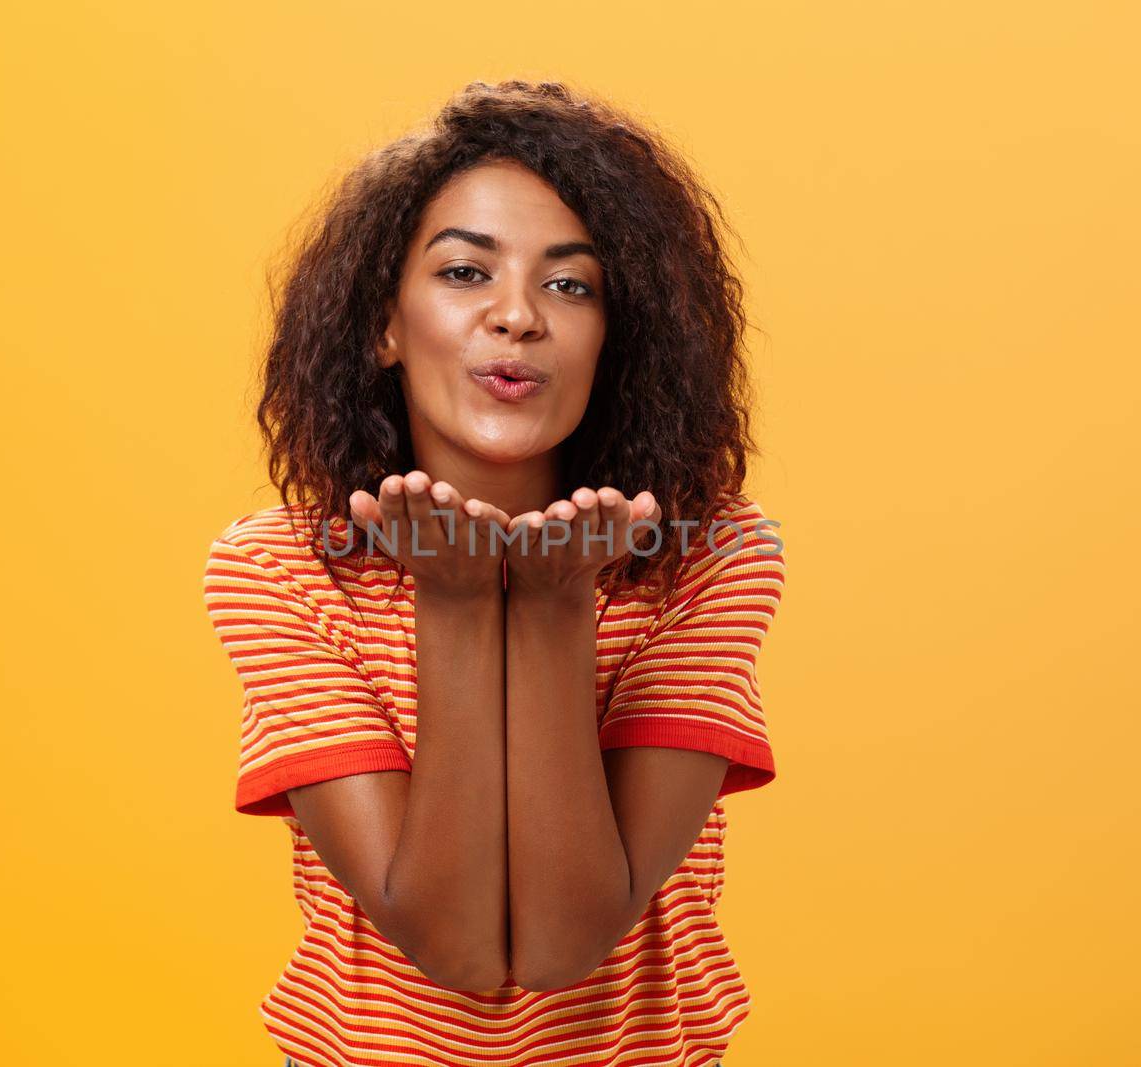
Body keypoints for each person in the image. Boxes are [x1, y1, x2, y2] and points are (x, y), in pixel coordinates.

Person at [203, 79, 783, 1067]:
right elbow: (458, 946)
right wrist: (462, 600)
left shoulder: (711, 552)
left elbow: (562, 943)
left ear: (616, 337)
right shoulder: (280, 568)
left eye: (569, 285)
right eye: (465, 272)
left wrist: (554, 603)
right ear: (382, 324)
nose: (516, 316)